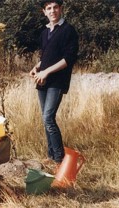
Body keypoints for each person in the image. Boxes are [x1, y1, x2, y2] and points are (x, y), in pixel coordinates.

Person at [29, 0, 79, 173]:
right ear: (44, 12)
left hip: (57, 81)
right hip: (43, 80)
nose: (52, 11)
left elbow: (68, 59)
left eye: (55, 7)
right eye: (49, 8)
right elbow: (46, 56)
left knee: (48, 118)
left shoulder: (68, 31)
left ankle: (60, 160)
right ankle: (50, 156)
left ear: (61, 9)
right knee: (45, 119)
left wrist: (46, 72)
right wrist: (37, 67)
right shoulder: (44, 32)